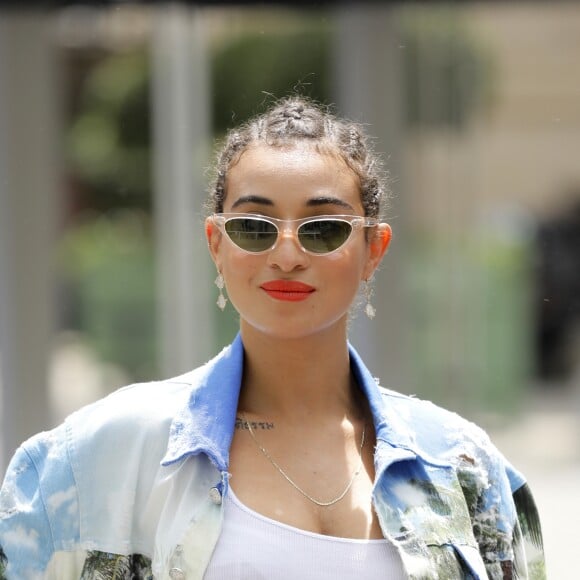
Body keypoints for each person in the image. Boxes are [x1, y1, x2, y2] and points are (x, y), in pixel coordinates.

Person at [0, 97, 545, 579]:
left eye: (324, 229)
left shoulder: (462, 466)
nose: (286, 255)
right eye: (254, 228)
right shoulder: (105, 451)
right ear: (216, 244)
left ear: (374, 250)